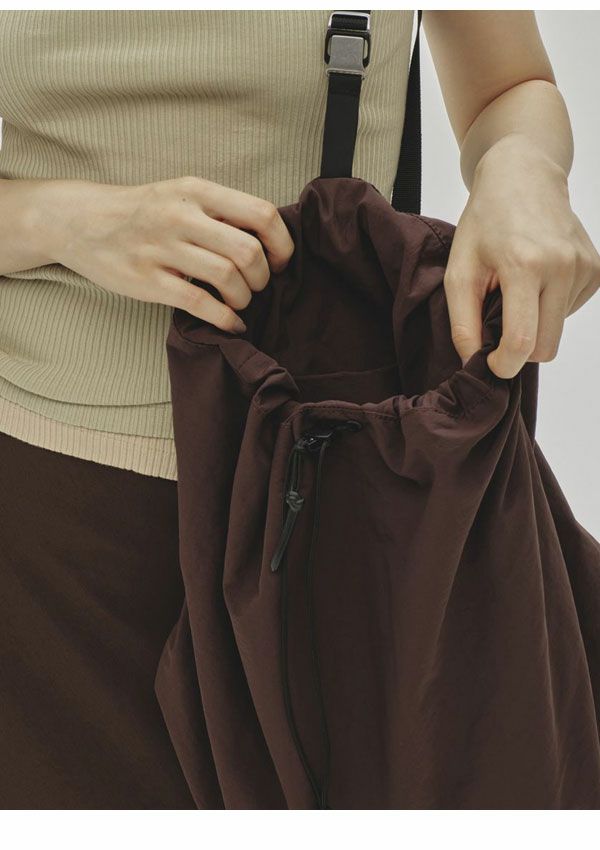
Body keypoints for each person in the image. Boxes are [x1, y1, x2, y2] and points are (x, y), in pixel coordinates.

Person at [0, 10, 597, 809]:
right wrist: (62, 220)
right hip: (49, 526)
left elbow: (509, 87)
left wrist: (524, 170)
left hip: (345, 503)